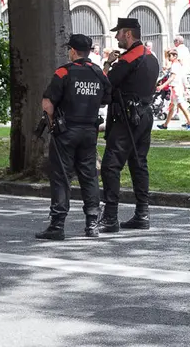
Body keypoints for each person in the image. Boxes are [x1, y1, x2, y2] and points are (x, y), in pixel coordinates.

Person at [36, 34, 111, 240]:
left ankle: (57, 225)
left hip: (66, 131)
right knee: (89, 176)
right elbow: (105, 99)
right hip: (89, 132)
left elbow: (47, 103)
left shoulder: (63, 72)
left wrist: (52, 123)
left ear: (72, 51)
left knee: (61, 177)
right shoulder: (97, 73)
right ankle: (92, 224)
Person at [98, 18, 159, 233]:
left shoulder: (129, 58)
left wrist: (107, 65)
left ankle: (110, 217)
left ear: (128, 34)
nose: (116, 37)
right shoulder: (151, 57)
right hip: (144, 115)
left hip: (126, 118)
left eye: (119, 33)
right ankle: (142, 213)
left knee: (110, 165)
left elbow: (106, 83)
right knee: (138, 163)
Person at [156, 48, 190, 130]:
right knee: (172, 107)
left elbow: (172, 78)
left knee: (181, 106)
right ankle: (165, 125)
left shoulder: (175, 65)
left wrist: (162, 86)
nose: (169, 57)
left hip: (176, 88)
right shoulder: (176, 64)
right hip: (175, 88)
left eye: (170, 56)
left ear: (175, 56)